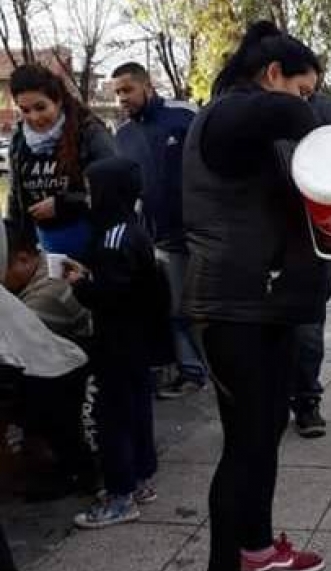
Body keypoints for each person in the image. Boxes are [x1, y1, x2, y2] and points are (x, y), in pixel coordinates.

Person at [182, 20, 326, 571]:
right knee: (243, 444)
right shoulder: (226, 115)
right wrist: (319, 126)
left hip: (266, 302)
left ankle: (259, 550)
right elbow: (286, 115)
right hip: (232, 306)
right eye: (302, 88)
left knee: (264, 434)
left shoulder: (251, 122)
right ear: (271, 75)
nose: (306, 103)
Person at [63, 158, 160, 529]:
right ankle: (140, 479)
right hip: (136, 340)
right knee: (136, 406)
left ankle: (121, 494)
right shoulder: (129, 228)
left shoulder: (114, 236)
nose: (88, 198)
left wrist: (80, 285)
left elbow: (113, 294)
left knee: (111, 415)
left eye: (91, 190)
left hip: (117, 340)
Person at [112, 61, 207, 400]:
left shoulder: (184, 115)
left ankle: (221, 369)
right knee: (176, 307)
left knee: (208, 307)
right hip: (159, 237)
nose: (122, 98)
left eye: (127, 90)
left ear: (147, 86)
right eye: (118, 92)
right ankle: (192, 371)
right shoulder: (122, 135)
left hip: (202, 230)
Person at [2, 219, 95, 500]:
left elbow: (26, 354)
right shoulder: (48, 261)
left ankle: (67, 469)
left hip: (76, 372)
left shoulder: (44, 297)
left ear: (22, 259)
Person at [286, 91, 331, 439]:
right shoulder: (258, 109)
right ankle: (277, 401)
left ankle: (306, 402)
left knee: (308, 326)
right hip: (265, 237)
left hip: (316, 237)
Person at [5, 64, 116, 260]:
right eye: (25, 110)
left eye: (40, 107)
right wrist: (15, 244)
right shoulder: (19, 140)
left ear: (58, 101)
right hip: (44, 248)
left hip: (95, 245)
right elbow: (15, 200)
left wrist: (63, 205)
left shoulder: (88, 132)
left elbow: (114, 188)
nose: (34, 117)